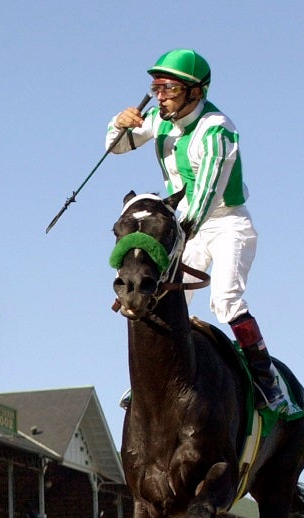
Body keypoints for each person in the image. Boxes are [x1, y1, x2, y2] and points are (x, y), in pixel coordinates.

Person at [107, 48, 286, 411]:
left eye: (169, 88)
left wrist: (169, 234)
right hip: (184, 224)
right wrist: (119, 123)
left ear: (195, 92)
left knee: (225, 298)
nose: (160, 96)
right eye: (156, 87)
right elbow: (115, 147)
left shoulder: (217, 130)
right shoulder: (159, 119)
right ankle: (146, 379)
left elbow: (204, 195)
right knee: (157, 298)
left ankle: (266, 378)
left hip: (224, 223)